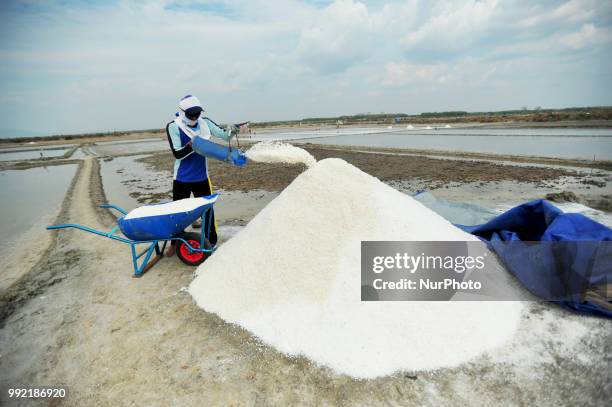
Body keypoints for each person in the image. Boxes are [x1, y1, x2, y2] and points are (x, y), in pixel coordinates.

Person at [164, 94, 239, 257]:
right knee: (177, 213)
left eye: (197, 113)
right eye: (191, 114)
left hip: (201, 177)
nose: (194, 117)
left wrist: (233, 130)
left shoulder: (206, 123)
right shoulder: (173, 126)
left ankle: (210, 242)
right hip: (181, 178)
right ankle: (174, 243)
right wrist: (192, 145)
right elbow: (177, 154)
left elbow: (224, 135)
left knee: (208, 212)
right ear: (183, 112)